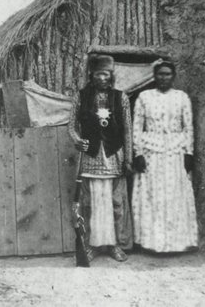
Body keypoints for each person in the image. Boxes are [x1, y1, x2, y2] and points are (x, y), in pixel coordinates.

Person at [68, 54, 133, 262]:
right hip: (91, 157)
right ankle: (91, 246)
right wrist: (78, 140)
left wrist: (128, 158)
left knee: (115, 203)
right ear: (91, 75)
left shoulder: (120, 97)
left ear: (111, 75)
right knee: (89, 203)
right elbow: (71, 126)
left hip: (114, 156)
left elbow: (128, 131)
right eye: (98, 74)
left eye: (106, 74)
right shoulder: (81, 96)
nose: (102, 78)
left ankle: (115, 246)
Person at [131, 61, 198, 252]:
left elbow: (188, 127)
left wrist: (189, 152)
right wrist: (139, 153)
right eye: (160, 74)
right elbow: (137, 126)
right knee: (153, 195)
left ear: (173, 76)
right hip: (151, 151)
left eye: (167, 74)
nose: (163, 78)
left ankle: (177, 243)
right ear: (154, 76)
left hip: (175, 152)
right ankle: (150, 242)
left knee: (174, 195)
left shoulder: (181, 97)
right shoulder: (144, 97)